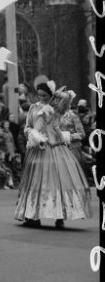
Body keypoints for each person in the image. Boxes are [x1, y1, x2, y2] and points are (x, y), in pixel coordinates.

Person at [14, 79, 93, 229]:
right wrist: (32, 135)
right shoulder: (33, 108)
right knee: (36, 182)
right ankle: (33, 216)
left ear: (50, 95)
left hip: (55, 148)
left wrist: (55, 92)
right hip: (38, 149)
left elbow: (66, 97)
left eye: (45, 95)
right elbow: (27, 127)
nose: (41, 98)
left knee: (57, 181)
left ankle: (60, 216)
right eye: (39, 95)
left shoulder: (57, 108)